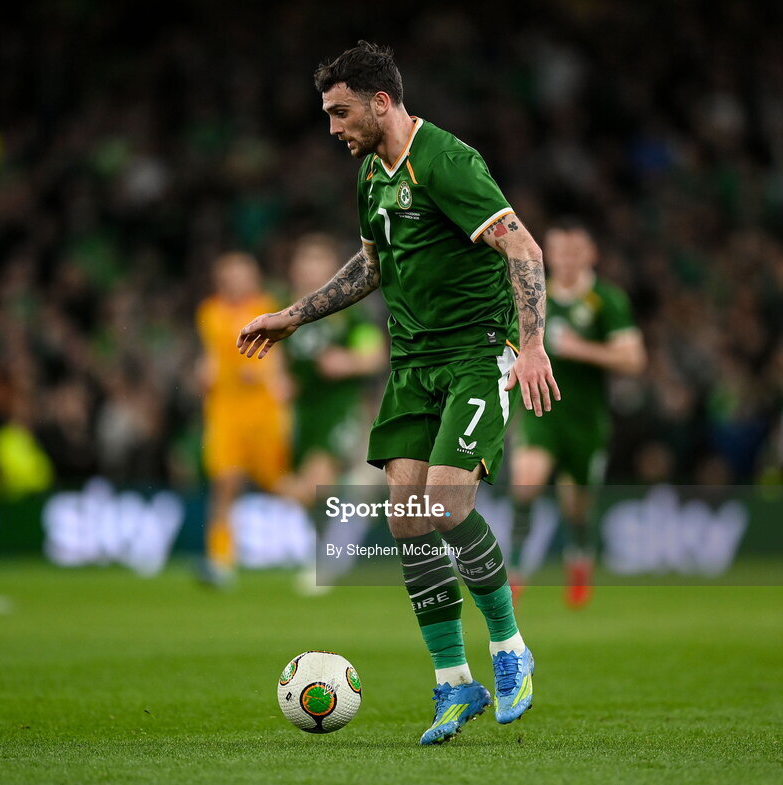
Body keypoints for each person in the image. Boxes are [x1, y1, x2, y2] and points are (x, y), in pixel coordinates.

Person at [237, 41, 559, 745]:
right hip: (411, 364)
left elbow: (524, 249)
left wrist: (531, 344)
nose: (332, 127)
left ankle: (510, 651)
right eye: (327, 114)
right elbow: (371, 265)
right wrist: (294, 314)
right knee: (408, 518)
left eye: (340, 111)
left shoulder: (446, 160)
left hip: (475, 353)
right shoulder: (371, 179)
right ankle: (454, 683)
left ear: (381, 101)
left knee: (445, 501)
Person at [509, 219, 645, 608]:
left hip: (585, 420)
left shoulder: (606, 300)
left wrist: (579, 349)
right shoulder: (534, 293)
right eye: (560, 251)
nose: (567, 259)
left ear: (590, 255)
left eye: (575, 252)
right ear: (548, 254)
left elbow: (634, 359)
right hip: (540, 412)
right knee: (526, 483)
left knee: (576, 505)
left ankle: (579, 561)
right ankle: (515, 574)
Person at [279, 233, 386, 595]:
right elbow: (280, 363)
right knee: (301, 492)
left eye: (317, 260)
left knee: (315, 480)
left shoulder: (349, 310)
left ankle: (323, 563)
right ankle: (330, 545)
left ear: (332, 269)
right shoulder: (286, 310)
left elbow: (373, 354)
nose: (310, 268)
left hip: (340, 408)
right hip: (303, 413)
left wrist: (348, 362)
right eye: (304, 260)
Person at [196, 251, 291, 585]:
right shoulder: (209, 312)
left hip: (263, 412)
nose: (237, 280)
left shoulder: (269, 306)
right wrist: (205, 375)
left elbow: (276, 358)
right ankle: (220, 560)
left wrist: (272, 380)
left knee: (281, 485)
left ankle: (329, 541)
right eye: (231, 274)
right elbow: (211, 357)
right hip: (225, 411)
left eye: (243, 274)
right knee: (225, 482)